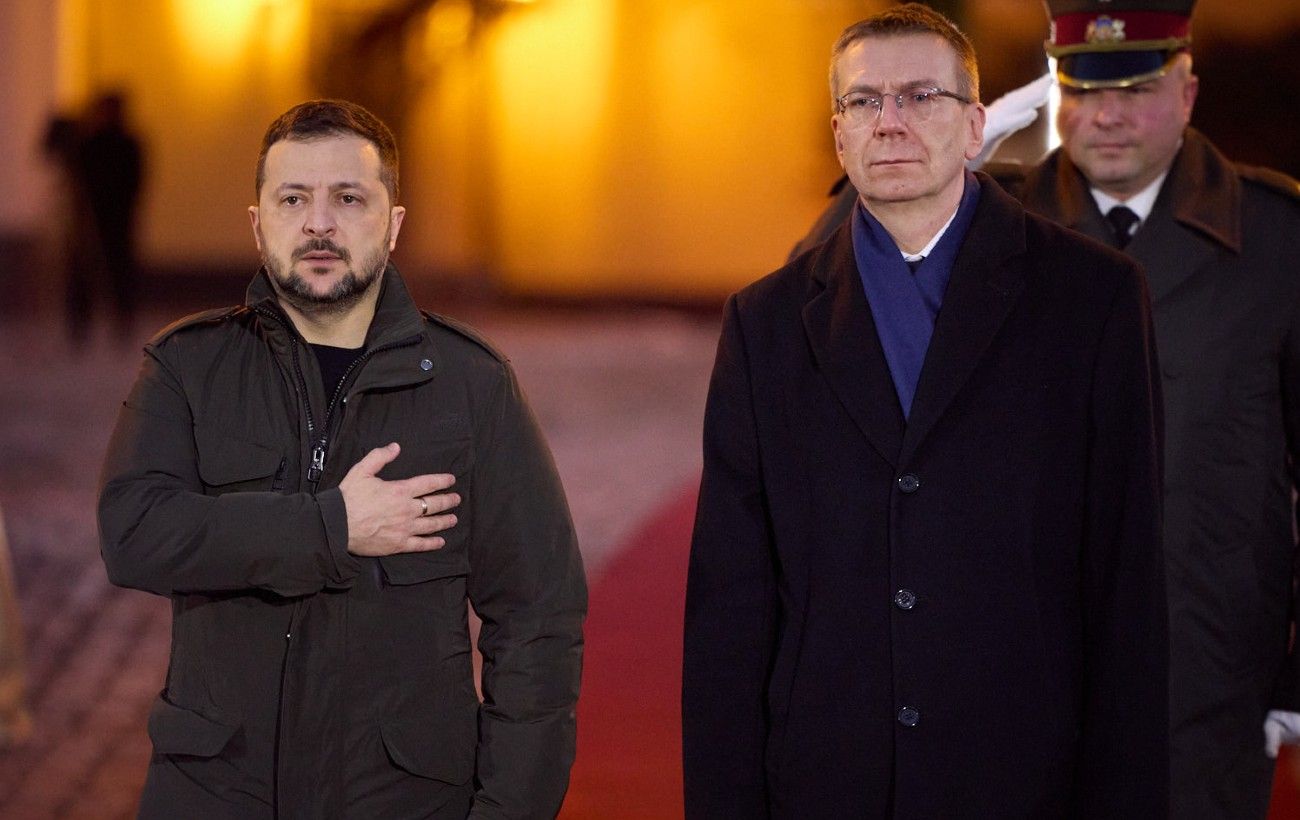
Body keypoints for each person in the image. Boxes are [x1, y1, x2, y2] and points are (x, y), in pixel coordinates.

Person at [682, 5, 1168, 818]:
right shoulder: (764, 325)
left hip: (1021, 773)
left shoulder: (1093, 300)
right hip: (828, 775)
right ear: (840, 136)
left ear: (976, 126)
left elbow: (1127, 584)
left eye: (920, 97)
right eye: (864, 101)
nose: (891, 122)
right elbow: (730, 605)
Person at [98, 100, 586, 819]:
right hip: (216, 794)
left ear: (392, 224)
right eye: (293, 199)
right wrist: (332, 527)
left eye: (349, 199)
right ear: (258, 223)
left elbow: (538, 617)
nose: (319, 223)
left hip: (403, 801)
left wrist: (509, 809)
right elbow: (134, 533)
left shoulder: (471, 384)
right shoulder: (186, 367)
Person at [1016, 1, 1300, 816]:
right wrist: (935, 164)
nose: (1106, 116)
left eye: (1136, 88)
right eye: (1082, 89)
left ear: (1188, 93)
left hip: (1208, 685)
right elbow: (824, 290)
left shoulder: (1277, 242)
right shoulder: (990, 230)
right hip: (1020, 680)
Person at [69, 92, 145, 345]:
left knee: (117, 270)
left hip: (116, 218)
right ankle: (85, 324)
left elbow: (135, 181)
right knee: (89, 272)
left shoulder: (123, 143)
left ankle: (119, 321)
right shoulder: (92, 143)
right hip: (95, 218)